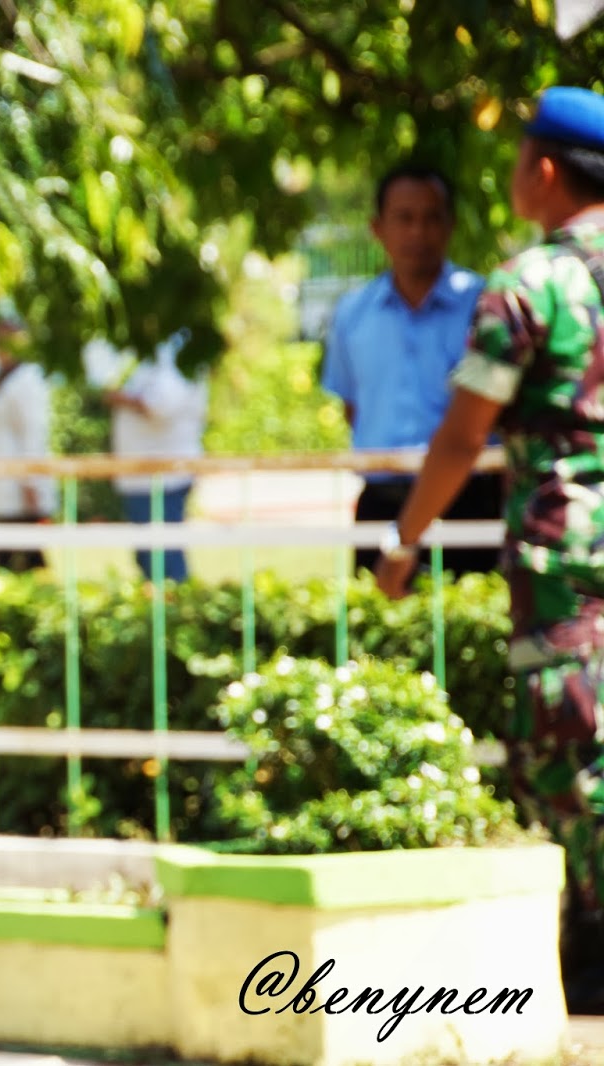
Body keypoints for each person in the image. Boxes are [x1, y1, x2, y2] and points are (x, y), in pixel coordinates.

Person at [374, 86, 604, 1011]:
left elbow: (465, 435)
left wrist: (404, 539)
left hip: (569, 564)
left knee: (571, 765)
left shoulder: (529, 284)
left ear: (542, 170)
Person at [321, 163, 503, 575]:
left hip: (469, 503)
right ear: (377, 228)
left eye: (431, 218)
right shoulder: (352, 314)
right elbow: (353, 406)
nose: (418, 232)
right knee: (377, 633)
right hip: (381, 502)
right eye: (404, 218)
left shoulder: (487, 306)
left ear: (451, 225)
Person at [100, 329, 209, 583]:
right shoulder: (151, 347)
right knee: (149, 556)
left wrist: (118, 398)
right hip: (143, 474)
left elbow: (161, 404)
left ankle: (174, 614)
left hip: (163, 476)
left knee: (164, 560)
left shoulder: (176, 346)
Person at [0, 300, 57, 571]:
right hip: (5, 496)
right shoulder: (7, 378)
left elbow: (32, 435)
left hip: (22, 497)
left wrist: (32, 488)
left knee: (24, 570)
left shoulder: (27, 380)